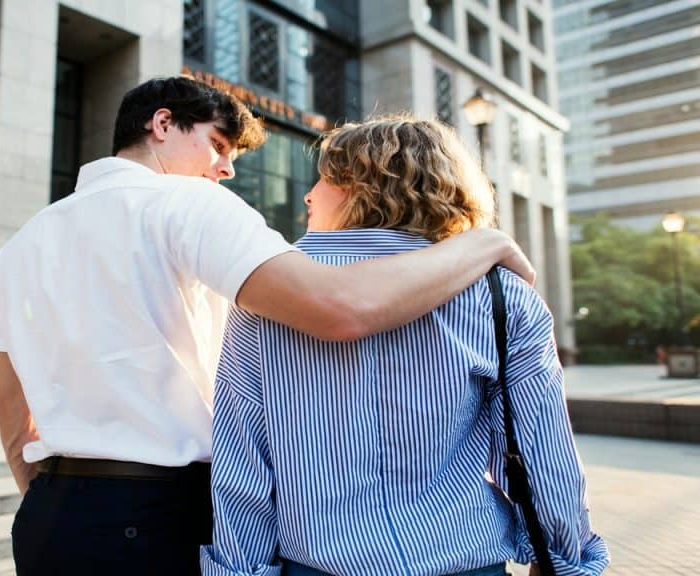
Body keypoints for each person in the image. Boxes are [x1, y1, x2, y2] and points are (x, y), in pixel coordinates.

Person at [0, 78, 535, 576]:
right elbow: (338, 306)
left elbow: (11, 408)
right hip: (160, 514)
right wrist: (485, 242)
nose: (226, 168)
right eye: (219, 145)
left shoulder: (24, 242)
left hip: (51, 520)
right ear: (162, 125)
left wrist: (55, 500)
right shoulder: (190, 202)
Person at [202, 115, 608, 576]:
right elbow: (544, 447)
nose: (308, 194)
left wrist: (241, 568)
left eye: (324, 178)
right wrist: (563, 558)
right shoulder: (501, 293)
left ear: (360, 184)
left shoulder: (271, 292)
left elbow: (243, 458)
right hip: (463, 557)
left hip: (320, 563)